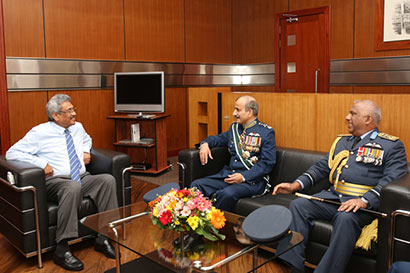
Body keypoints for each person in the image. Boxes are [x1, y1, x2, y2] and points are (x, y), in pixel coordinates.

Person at [272, 100, 408, 273]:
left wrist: (364, 200)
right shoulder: (342, 142)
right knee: (299, 205)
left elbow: (392, 179)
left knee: (345, 217)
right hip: (334, 198)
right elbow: (321, 168)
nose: (347, 117)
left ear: (367, 119)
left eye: (353, 114)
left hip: (362, 207)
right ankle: (295, 266)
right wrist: (295, 185)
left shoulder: (391, 145)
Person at [6, 94, 119, 271]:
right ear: (56, 115)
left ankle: (103, 237)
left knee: (107, 180)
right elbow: (12, 153)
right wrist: (41, 164)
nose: (74, 113)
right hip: (55, 181)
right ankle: (62, 248)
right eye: (69, 111)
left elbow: (87, 139)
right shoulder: (40, 132)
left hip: (82, 177)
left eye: (74, 109)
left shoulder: (78, 127)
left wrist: (84, 151)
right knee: (72, 187)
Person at [191, 95, 276, 211]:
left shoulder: (266, 132)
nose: (233, 113)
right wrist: (205, 144)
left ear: (249, 112)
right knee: (197, 185)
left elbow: (267, 164)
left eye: (238, 110)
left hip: (252, 181)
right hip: (229, 176)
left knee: (227, 194)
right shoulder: (234, 128)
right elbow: (218, 139)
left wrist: (243, 177)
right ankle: (194, 221)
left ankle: (212, 225)